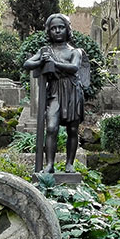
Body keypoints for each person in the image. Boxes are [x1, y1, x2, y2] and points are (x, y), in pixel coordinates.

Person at [23, 14, 84, 173]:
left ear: (67, 29)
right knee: (51, 127)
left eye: (61, 27)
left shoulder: (75, 51)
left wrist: (54, 63)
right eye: (53, 28)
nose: (57, 31)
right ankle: (49, 164)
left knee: (72, 130)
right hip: (55, 91)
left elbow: (74, 68)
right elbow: (27, 63)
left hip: (72, 91)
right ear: (49, 31)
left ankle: (69, 164)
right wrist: (41, 61)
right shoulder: (45, 50)